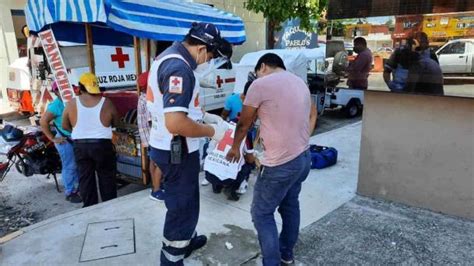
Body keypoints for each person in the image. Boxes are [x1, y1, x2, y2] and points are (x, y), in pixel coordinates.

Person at [146, 22, 229, 265]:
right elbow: (176, 122)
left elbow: (172, 109)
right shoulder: (179, 69)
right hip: (177, 149)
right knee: (182, 207)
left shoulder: (168, 56)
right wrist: (212, 131)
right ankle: (172, 258)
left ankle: (187, 239)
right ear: (202, 48)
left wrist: (201, 117)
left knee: (187, 200)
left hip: (170, 146)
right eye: (211, 56)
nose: (209, 62)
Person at [226, 53, 317, 266]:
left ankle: (272, 262)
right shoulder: (300, 83)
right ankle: (286, 255)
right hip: (303, 157)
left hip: (281, 163)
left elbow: (243, 123)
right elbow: (310, 114)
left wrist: (235, 147)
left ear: (263, 66)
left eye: (257, 73)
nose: (256, 77)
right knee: (290, 205)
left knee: (262, 213)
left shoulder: (261, 84)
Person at [62, 73, 120, 208]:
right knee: (107, 178)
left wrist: (79, 132)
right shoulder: (106, 102)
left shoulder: (72, 103)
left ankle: (89, 208)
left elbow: (65, 125)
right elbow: (116, 122)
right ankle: (110, 207)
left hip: (80, 146)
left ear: (80, 88)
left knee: (85, 179)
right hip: (102, 146)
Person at [40, 81, 81, 203]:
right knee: (70, 166)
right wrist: (52, 138)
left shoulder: (73, 100)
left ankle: (78, 188)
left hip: (75, 138)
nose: (63, 91)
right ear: (56, 92)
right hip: (65, 140)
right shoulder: (56, 105)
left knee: (78, 165)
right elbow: (43, 122)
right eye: (59, 89)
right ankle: (70, 192)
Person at [136, 72, 165, 201]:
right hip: (154, 136)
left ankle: (156, 185)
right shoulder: (148, 99)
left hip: (149, 137)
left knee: (154, 162)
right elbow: (152, 120)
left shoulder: (142, 97)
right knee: (159, 163)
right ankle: (156, 190)